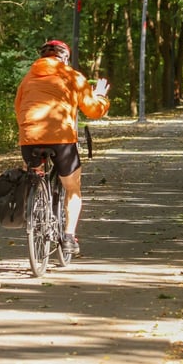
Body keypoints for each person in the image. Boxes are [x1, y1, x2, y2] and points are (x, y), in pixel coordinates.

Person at [14, 40, 110, 255]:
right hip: (61, 139)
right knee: (72, 187)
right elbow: (93, 110)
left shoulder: (27, 78)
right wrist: (101, 96)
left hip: (30, 138)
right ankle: (68, 237)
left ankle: (34, 199)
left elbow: (18, 108)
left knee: (33, 171)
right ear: (65, 57)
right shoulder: (73, 76)